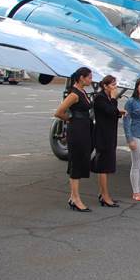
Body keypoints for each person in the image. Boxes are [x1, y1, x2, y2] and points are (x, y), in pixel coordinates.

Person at [54, 67, 94, 212]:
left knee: (81, 160)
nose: (91, 80)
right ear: (82, 78)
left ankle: (73, 197)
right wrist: (70, 119)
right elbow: (59, 112)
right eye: (89, 77)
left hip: (84, 129)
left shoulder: (82, 92)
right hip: (77, 130)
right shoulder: (74, 94)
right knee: (76, 162)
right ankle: (76, 198)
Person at [91, 75, 123, 208]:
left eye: (116, 85)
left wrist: (118, 111)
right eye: (113, 85)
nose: (115, 88)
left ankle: (103, 193)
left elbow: (111, 111)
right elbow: (109, 110)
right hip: (103, 135)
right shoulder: (100, 98)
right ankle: (104, 196)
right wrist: (115, 99)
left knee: (108, 165)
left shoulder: (108, 98)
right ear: (105, 86)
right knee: (103, 166)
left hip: (110, 134)